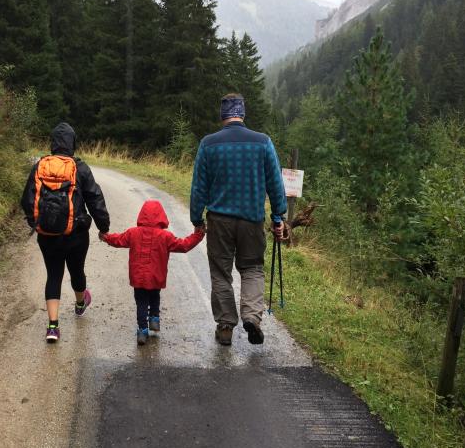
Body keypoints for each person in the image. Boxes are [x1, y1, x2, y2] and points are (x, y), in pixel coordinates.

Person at [189, 93, 287, 346]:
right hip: (252, 220)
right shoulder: (263, 142)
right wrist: (279, 216)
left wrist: (196, 218)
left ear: (222, 115)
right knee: (252, 268)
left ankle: (225, 326)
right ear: (242, 113)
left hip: (220, 220)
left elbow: (199, 187)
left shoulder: (208, 144)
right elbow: (275, 184)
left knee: (221, 273)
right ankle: (252, 317)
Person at [21, 122, 110, 343]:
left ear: (52, 143)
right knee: (76, 270)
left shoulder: (40, 166)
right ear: (72, 143)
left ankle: (53, 327)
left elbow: (27, 199)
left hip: (47, 235)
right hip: (76, 234)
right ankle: (80, 304)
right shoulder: (80, 168)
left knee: (53, 275)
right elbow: (95, 199)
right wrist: (103, 227)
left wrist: (37, 222)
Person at [100, 199, 205, 345]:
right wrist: (198, 235)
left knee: (141, 302)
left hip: (138, 277)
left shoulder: (133, 233)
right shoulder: (165, 236)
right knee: (155, 296)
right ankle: (154, 319)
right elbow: (183, 245)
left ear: (142, 215)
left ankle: (142, 330)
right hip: (156, 276)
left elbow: (118, 240)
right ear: (161, 216)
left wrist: (105, 237)